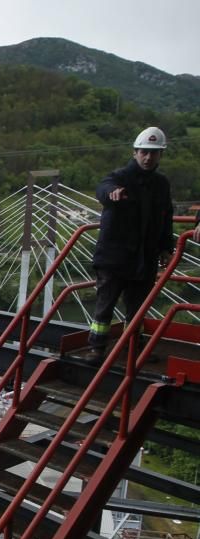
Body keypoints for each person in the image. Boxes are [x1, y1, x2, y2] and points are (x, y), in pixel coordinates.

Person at [87, 126, 175, 363]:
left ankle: (134, 348)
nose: (148, 157)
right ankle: (97, 348)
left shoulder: (161, 184)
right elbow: (102, 188)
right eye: (144, 152)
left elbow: (166, 216)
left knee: (137, 309)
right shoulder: (119, 178)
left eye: (153, 153)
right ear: (135, 152)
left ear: (160, 155)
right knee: (105, 306)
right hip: (114, 258)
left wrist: (167, 247)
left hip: (144, 258)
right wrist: (112, 194)